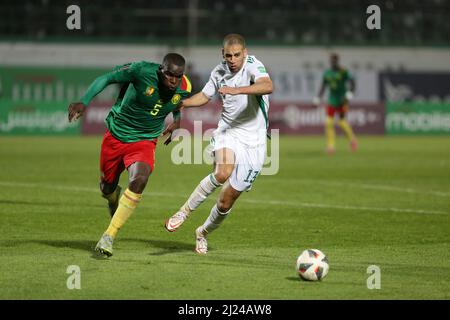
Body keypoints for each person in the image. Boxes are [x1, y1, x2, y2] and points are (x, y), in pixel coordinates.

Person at [67, 53, 192, 257]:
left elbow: (178, 102)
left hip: (145, 140)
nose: (173, 80)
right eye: (169, 75)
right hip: (116, 136)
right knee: (106, 187)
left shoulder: (184, 86)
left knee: (140, 178)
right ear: (161, 70)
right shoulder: (141, 71)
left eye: (178, 76)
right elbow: (107, 78)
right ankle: (113, 195)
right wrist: (84, 101)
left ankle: (109, 236)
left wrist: (177, 120)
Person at [164, 33, 273, 254]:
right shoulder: (219, 71)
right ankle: (183, 212)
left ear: (245, 53)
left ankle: (202, 233)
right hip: (228, 131)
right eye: (228, 56)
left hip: (255, 141)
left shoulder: (253, 66)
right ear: (222, 54)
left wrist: (238, 89)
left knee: (225, 203)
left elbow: (267, 86)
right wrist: (183, 103)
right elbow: (205, 96)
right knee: (222, 172)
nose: (232, 60)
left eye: (237, 55)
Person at [313, 53, 358, 154]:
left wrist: (350, 94)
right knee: (329, 122)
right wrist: (317, 98)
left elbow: (353, 82)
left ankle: (352, 140)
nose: (333, 62)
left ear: (337, 61)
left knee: (341, 122)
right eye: (331, 60)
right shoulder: (327, 73)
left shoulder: (343, 71)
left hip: (342, 99)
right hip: (332, 100)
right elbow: (323, 86)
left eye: (334, 60)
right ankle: (331, 146)